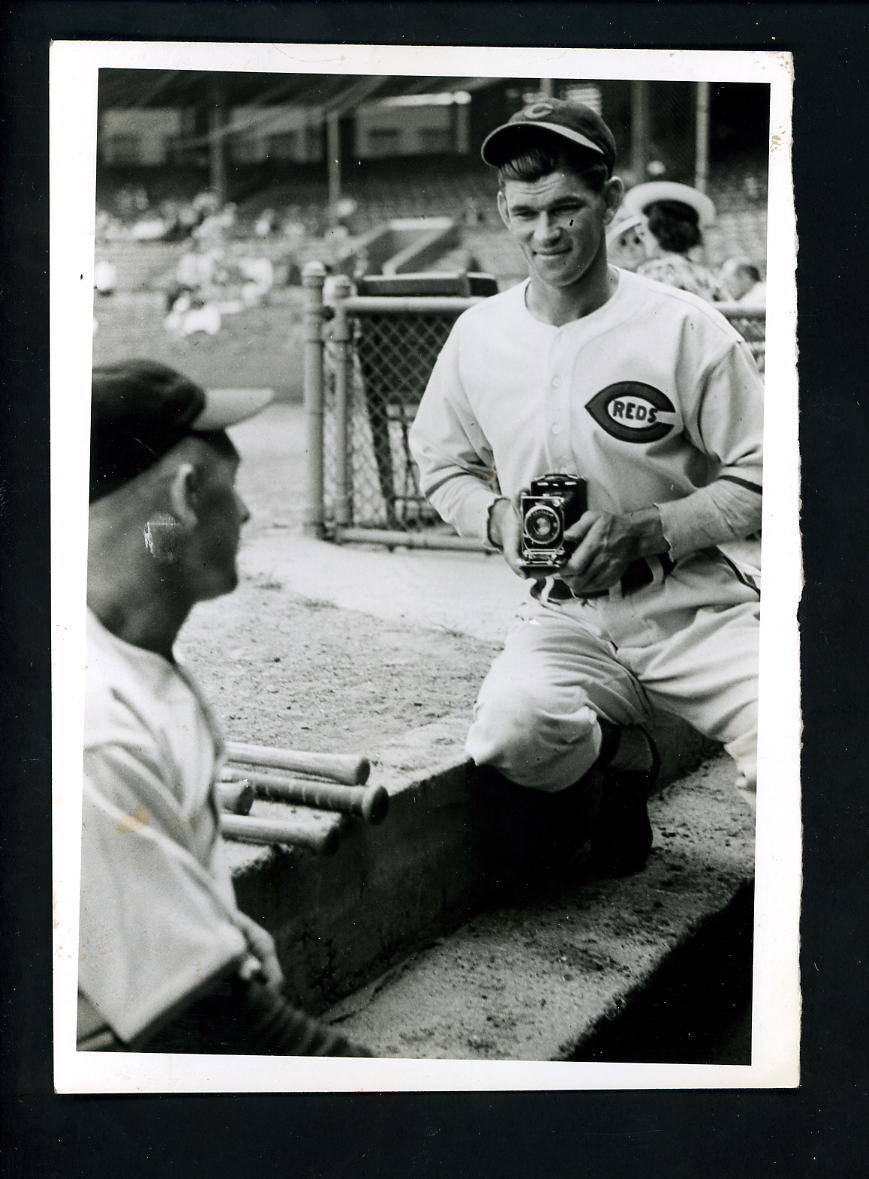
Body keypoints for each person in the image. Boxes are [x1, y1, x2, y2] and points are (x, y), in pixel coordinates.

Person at [409, 99, 762, 874]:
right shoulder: (480, 334)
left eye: (567, 206)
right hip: (563, 612)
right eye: (527, 211)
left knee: (799, 747)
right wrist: (498, 517)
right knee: (511, 733)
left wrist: (650, 527)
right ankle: (620, 760)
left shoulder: (685, 328)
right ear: (504, 209)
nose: (546, 231)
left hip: (691, 602)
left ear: (608, 201)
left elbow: (769, 477)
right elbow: (437, 461)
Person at [79, 360, 370, 1056]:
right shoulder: (90, 731)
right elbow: (209, 1026)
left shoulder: (125, 655)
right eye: (230, 484)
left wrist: (209, 925)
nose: (242, 512)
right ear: (183, 496)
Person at [622, 180, 727, 302]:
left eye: (643, 231)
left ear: (659, 230)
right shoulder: (708, 276)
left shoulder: (652, 273)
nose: (641, 237)